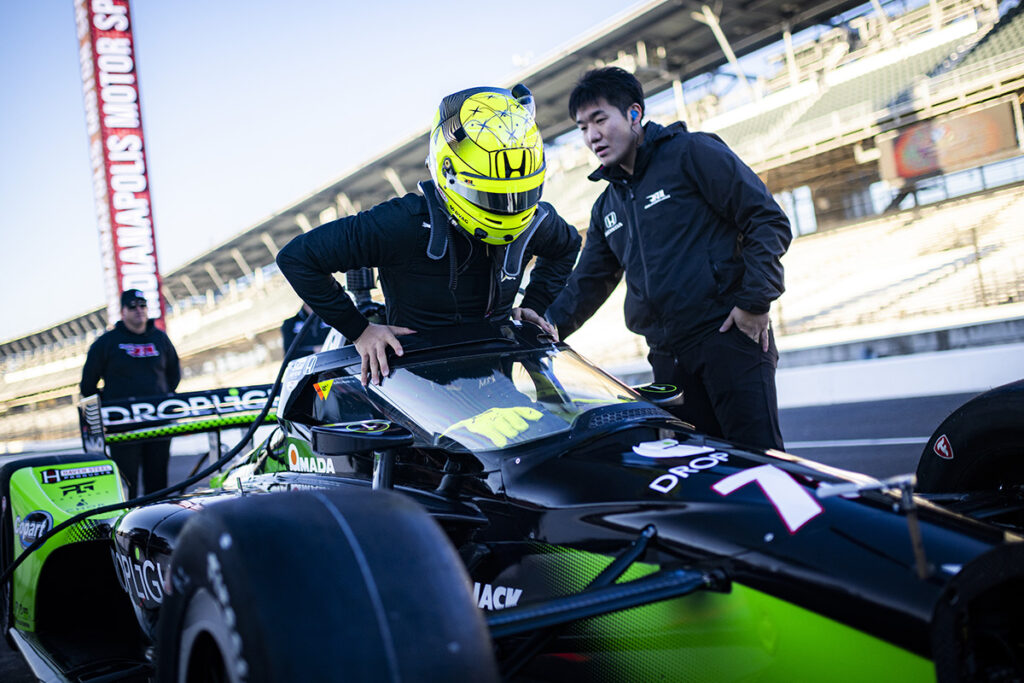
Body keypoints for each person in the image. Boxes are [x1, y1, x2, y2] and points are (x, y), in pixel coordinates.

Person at [545, 67, 792, 450]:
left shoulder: (691, 153)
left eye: (599, 119)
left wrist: (754, 303)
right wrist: (547, 326)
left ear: (633, 114)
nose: (592, 136)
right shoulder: (605, 205)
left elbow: (767, 219)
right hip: (667, 360)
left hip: (727, 339)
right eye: (582, 127)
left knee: (762, 468)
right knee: (697, 476)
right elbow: (589, 281)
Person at [277, 85, 581, 386]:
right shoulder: (403, 223)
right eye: (493, 198)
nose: (508, 207)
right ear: (448, 172)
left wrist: (535, 303)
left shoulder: (537, 220)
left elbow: (567, 245)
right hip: (417, 393)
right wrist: (359, 331)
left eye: (521, 195)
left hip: (497, 383)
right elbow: (297, 258)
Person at [80, 289, 181, 497]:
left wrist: (160, 397)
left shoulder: (160, 339)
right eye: (132, 306)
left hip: (158, 423)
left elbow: (174, 375)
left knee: (158, 483)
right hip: (123, 427)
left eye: (142, 305)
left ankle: (157, 522)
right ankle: (127, 527)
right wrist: (109, 405)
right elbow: (87, 384)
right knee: (127, 484)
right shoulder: (106, 342)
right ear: (123, 311)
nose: (139, 310)